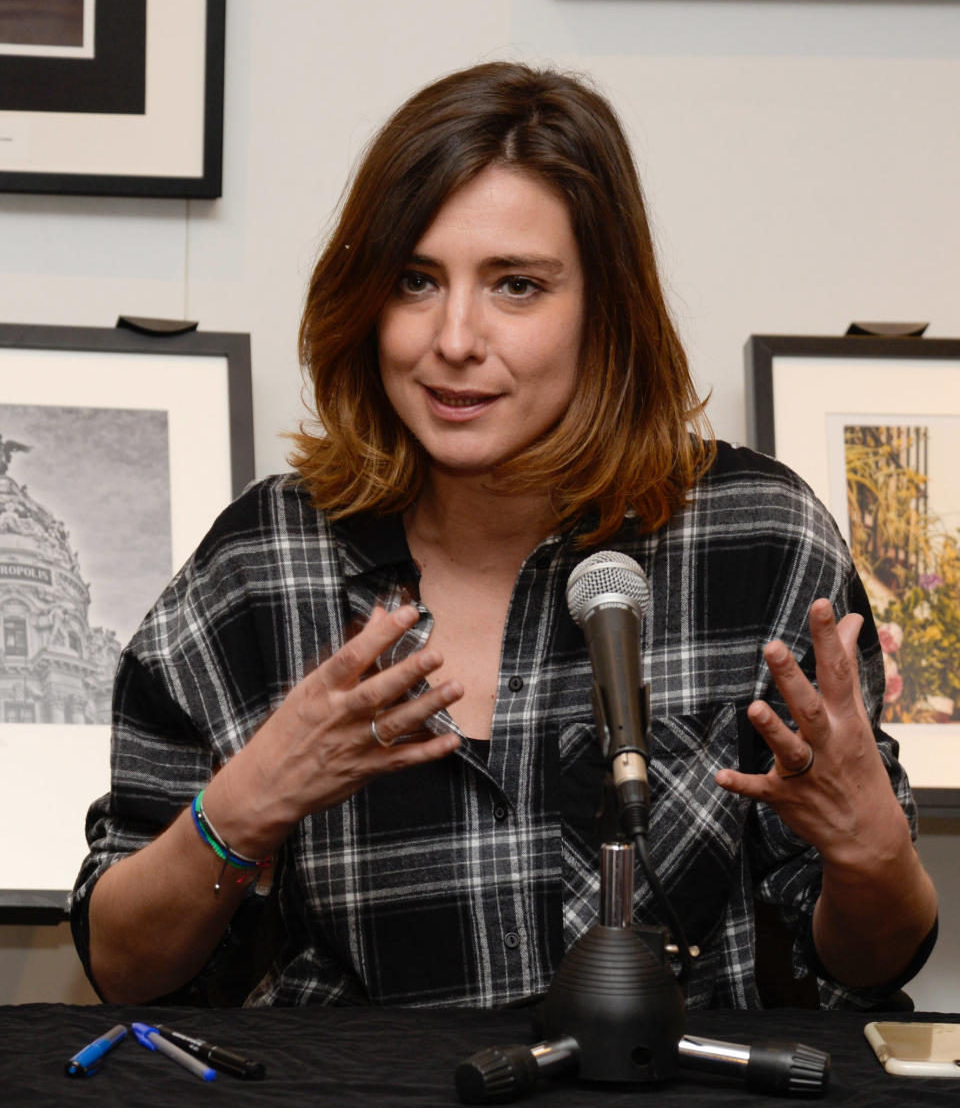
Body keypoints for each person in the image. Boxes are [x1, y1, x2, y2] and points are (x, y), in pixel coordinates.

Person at [71, 61, 937, 1011]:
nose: (454, 338)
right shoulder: (263, 561)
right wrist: (247, 805)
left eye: (516, 286)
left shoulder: (757, 536)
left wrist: (872, 854)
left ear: (604, 311)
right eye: (415, 280)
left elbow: (873, 959)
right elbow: (122, 969)